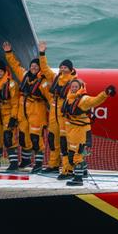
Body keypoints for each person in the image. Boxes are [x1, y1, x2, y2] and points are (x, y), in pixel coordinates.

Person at [4, 41, 51, 173]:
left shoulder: (43, 83)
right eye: (32, 66)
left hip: (37, 113)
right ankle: (25, 160)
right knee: (24, 138)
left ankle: (39, 163)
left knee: (36, 139)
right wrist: (8, 53)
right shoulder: (24, 76)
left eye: (36, 66)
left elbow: (51, 99)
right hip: (23, 112)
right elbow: (15, 65)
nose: (34, 68)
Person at [61, 79, 116, 186]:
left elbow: (96, 100)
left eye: (76, 87)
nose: (73, 88)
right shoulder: (69, 97)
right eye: (72, 86)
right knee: (73, 153)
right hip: (71, 130)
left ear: (80, 88)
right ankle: (84, 171)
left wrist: (105, 93)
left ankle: (78, 179)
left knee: (76, 155)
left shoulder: (84, 100)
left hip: (79, 131)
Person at [39, 48, 77, 177]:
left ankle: (67, 169)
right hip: (53, 114)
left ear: (71, 69)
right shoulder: (56, 77)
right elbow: (44, 69)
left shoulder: (74, 82)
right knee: (52, 140)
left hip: (65, 117)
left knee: (65, 143)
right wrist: (42, 54)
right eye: (62, 66)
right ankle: (53, 165)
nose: (63, 69)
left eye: (66, 67)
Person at [0, 59, 20, 170]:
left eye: (1, 71)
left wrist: (13, 117)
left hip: (7, 114)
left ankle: (14, 163)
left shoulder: (11, 84)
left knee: (8, 137)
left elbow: (15, 103)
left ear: (5, 72)